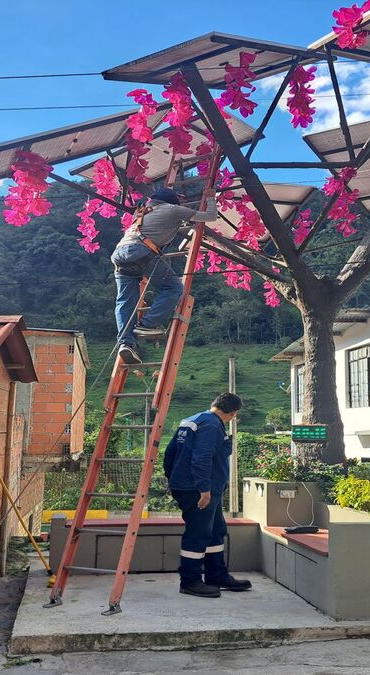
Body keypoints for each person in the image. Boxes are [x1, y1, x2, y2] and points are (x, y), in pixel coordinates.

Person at [110, 187, 217, 365]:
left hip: (119, 255)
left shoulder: (142, 211)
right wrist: (211, 199)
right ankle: (147, 324)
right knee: (173, 288)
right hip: (141, 252)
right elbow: (210, 216)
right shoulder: (172, 209)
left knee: (125, 302)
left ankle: (126, 343)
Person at [162, 392, 252, 598]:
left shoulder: (193, 420)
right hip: (200, 490)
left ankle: (216, 575)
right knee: (199, 533)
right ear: (233, 413)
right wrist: (203, 489)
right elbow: (202, 458)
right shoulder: (212, 426)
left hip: (191, 487)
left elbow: (170, 453)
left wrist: (173, 479)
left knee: (215, 530)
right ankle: (190, 581)